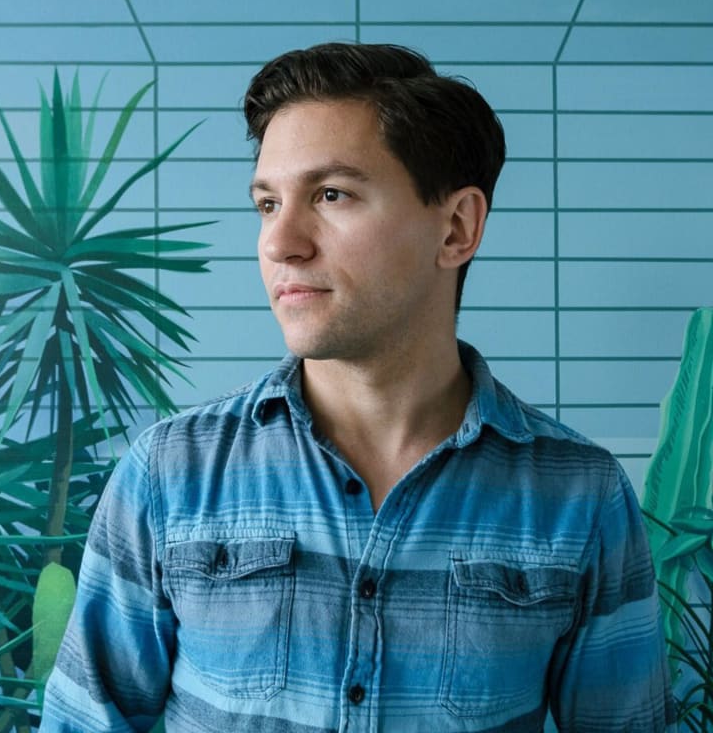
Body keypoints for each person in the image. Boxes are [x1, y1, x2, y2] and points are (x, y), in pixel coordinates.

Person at [42, 42, 676, 732]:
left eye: (331, 194)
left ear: (457, 227)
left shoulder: (579, 495)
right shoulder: (169, 475)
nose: (280, 242)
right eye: (266, 203)